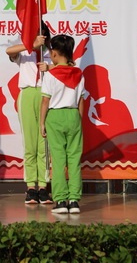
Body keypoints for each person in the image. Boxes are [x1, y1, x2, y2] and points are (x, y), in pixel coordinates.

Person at [5, 22, 53, 204]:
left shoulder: (51, 53)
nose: (39, 35)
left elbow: (66, 68)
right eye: (35, 32)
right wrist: (31, 45)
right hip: (27, 95)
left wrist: (49, 67)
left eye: (41, 32)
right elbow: (9, 51)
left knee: (44, 143)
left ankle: (43, 187)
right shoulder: (24, 52)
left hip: (46, 96)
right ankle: (31, 187)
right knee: (29, 143)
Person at [40, 34, 85, 215]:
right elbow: (81, 100)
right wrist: (78, 120)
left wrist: (41, 123)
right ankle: (74, 201)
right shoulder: (79, 74)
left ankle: (60, 201)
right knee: (74, 159)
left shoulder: (50, 75)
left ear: (55, 53)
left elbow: (45, 101)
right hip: (74, 115)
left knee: (58, 160)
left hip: (55, 116)